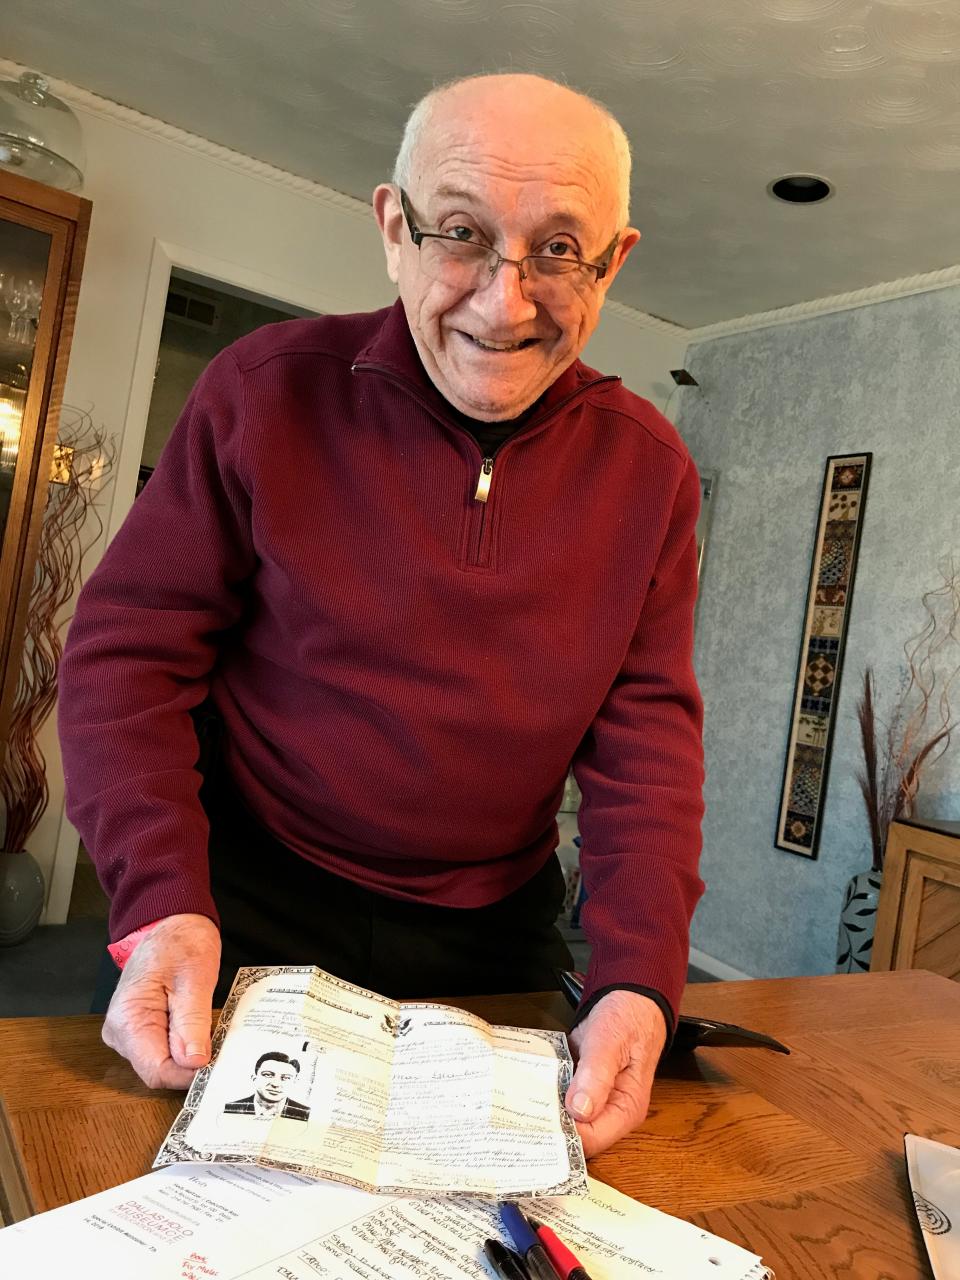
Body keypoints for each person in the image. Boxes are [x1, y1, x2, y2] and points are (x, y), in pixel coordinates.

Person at [58, 72, 704, 1158]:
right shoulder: (260, 393)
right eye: (460, 233)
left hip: (488, 933)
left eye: (557, 249)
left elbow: (649, 748)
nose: (505, 304)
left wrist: (639, 978)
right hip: (237, 897)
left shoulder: (653, 475)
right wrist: (161, 893)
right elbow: (128, 658)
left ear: (615, 262)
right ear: (392, 229)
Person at [224, 1051, 311, 1120]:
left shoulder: (304, 1113)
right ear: (254, 1078)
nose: (275, 1084)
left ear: (295, 1082)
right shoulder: (231, 1109)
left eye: (286, 1078)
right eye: (268, 1075)